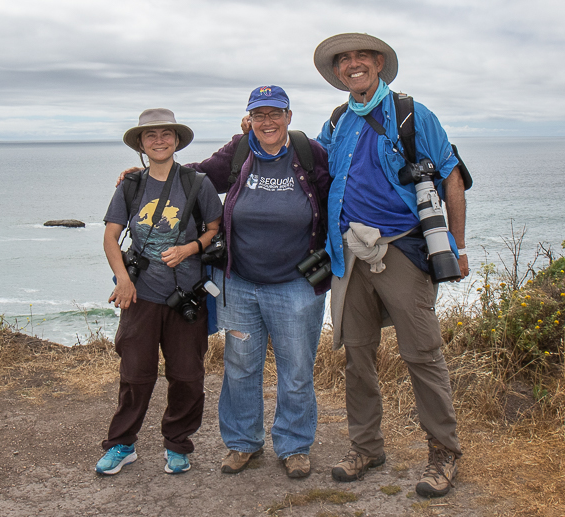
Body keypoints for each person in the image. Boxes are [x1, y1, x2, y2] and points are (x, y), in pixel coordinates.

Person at [313, 33, 469, 498]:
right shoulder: (338, 121)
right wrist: (249, 134)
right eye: (345, 60)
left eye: (362, 57)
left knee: (422, 354)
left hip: (402, 249)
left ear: (378, 64)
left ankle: (444, 453)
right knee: (357, 356)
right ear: (338, 72)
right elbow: (308, 166)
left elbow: (453, 178)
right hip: (349, 255)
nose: (353, 65)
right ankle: (366, 447)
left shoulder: (411, 114)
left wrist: (457, 249)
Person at [187, 85, 331, 478]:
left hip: (297, 283)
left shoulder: (309, 152)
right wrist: (144, 177)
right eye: (259, 115)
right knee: (239, 366)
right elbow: (192, 180)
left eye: (275, 113)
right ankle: (242, 443)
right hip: (239, 283)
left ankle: (294, 445)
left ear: (289, 116)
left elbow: (340, 193)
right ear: (249, 118)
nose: (268, 122)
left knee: (297, 369)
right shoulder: (238, 151)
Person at [97, 108, 222, 476]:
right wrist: (122, 278)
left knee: (187, 376)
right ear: (141, 144)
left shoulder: (197, 183)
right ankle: (122, 444)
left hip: (187, 296)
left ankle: (177, 445)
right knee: (135, 375)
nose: (159, 140)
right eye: (150, 136)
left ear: (177, 140)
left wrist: (189, 249)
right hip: (141, 296)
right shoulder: (131, 185)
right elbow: (109, 236)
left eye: (166, 134)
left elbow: (215, 228)